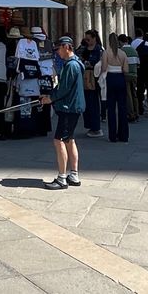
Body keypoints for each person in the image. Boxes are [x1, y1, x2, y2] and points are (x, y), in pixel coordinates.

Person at [42, 36, 85, 190]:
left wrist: (50, 98)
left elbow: (64, 88)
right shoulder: (75, 63)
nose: (57, 52)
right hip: (73, 107)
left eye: (59, 48)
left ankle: (62, 178)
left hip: (69, 107)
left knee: (58, 140)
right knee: (69, 140)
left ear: (66, 47)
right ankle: (73, 174)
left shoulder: (71, 66)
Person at [100, 33, 130, 143]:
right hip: (120, 78)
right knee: (122, 108)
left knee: (111, 109)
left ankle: (112, 136)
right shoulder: (122, 53)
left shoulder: (106, 53)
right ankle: (124, 135)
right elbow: (126, 70)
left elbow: (103, 68)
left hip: (111, 79)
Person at [77, 30, 104, 137]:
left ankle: (96, 127)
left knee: (93, 103)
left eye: (88, 39)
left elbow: (100, 63)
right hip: (85, 78)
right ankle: (90, 125)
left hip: (94, 79)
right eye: (86, 39)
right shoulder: (85, 49)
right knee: (86, 103)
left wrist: (91, 64)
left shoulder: (99, 49)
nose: (87, 41)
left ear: (94, 38)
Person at [120, 34, 140, 122]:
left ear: (120, 41)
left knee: (128, 95)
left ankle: (131, 114)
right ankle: (137, 113)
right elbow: (138, 63)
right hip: (134, 75)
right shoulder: (134, 50)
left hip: (126, 75)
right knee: (134, 94)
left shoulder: (121, 51)